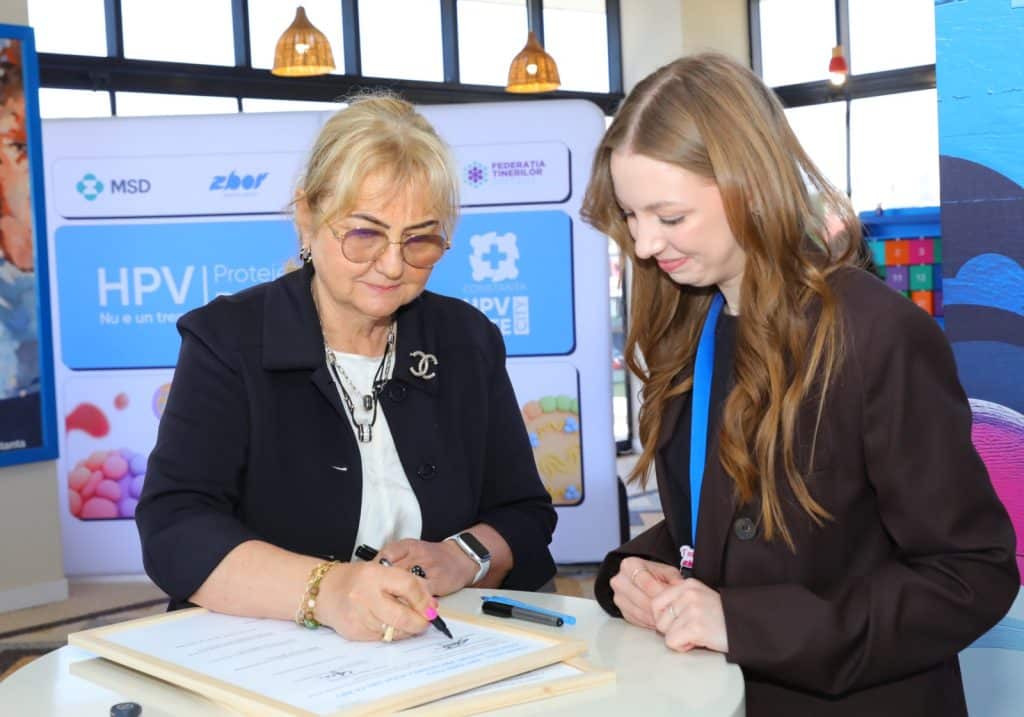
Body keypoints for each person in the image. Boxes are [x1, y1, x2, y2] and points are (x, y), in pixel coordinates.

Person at [580, 52, 1018, 715]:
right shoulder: (691, 326)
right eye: (630, 217)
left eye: (669, 218)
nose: (643, 245)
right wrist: (633, 571)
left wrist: (745, 624)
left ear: (751, 188)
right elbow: (732, 517)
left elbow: (970, 573)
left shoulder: (876, 335)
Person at [136, 95, 557, 644]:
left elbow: (523, 513)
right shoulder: (228, 339)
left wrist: (463, 555)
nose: (392, 264)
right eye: (364, 234)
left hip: (433, 645)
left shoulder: (466, 340)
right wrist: (326, 590)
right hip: (268, 649)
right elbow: (175, 527)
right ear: (307, 216)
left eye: (420, 240)